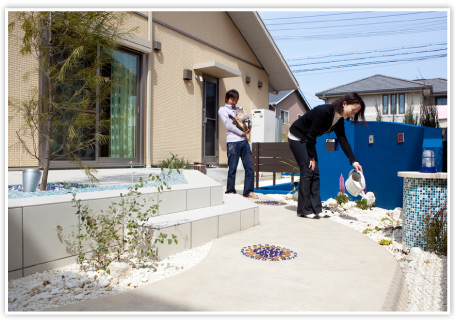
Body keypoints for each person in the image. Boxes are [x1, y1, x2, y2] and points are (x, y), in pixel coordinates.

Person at [288, 92, 366, 218]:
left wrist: (354, 161)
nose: (352, 114)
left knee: (316, 173)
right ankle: (304, 210)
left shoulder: (339, 120)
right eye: (353, 110)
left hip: (308, 140)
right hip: (297, 137)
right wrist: (311, 158)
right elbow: (311, 135)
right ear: (345, 103)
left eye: (355, 113)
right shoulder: (324, 112)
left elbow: (343, 140)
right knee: (308, 170)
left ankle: (316, 209)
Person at [218, 89, 257, 198]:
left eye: (235, 100)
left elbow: (249, 121)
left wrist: (247, 128)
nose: (234, 102)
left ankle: (248, 191)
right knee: (232, 167)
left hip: (244, 142)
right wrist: (241, 132)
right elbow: (229, 125)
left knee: (249, 167)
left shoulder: (240, 109)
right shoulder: (223, 110)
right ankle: (230, 190)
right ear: (227, 99)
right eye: (232, 99)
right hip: (233, 142)